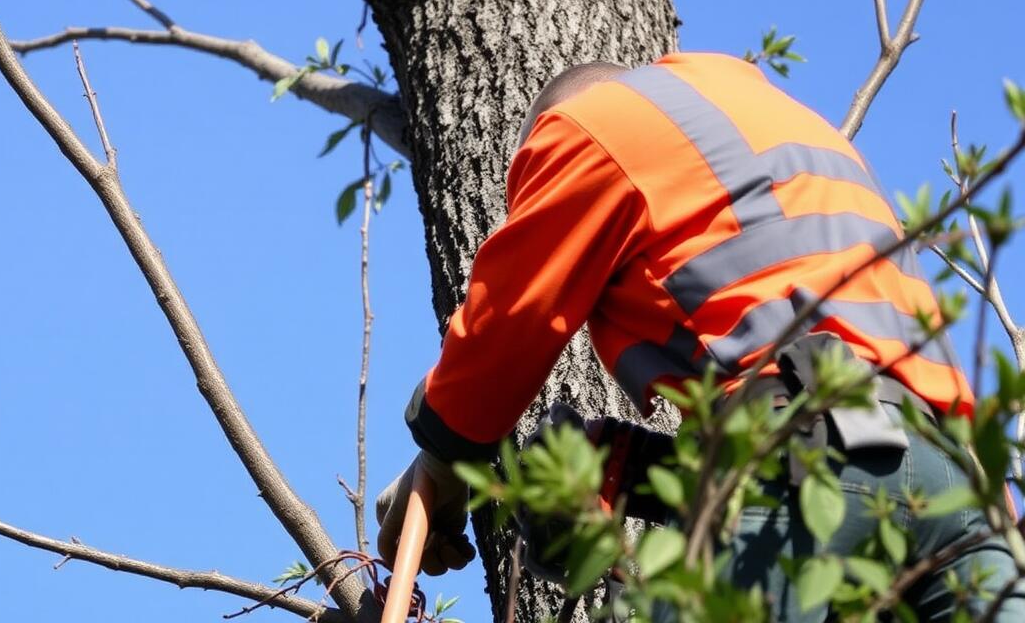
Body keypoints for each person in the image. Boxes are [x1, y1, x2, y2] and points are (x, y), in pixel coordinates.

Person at [374, 52, 1023, 620]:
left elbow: (507, 321)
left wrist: (441, 455)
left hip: (800, 447)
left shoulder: (589, 124)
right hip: (961, 486)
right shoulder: (771, 132)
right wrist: (617, 466)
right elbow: (864, 434)